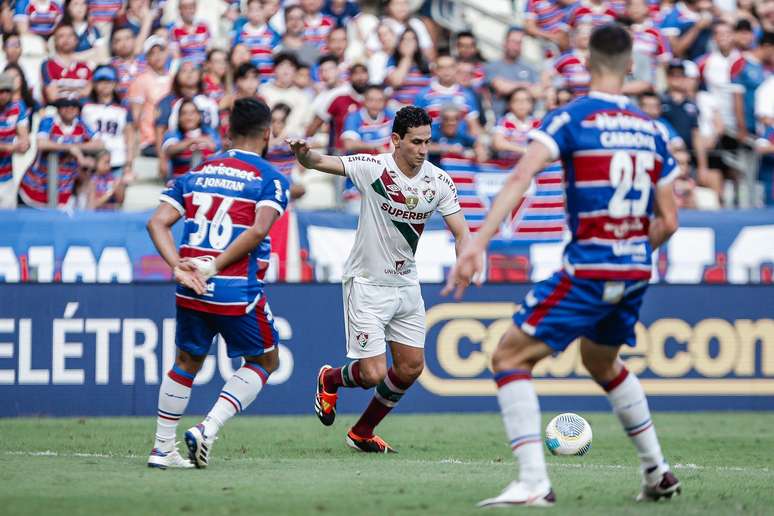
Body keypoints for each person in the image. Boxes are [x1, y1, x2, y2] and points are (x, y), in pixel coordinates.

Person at [443, 23, 682, 506]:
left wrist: (476, 244)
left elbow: (520, 177)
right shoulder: (653, 130)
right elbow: (670, 220)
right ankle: (656, 471)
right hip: (635, 271)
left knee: (509, 357)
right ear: (631, 66)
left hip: (590, 269)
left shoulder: (571, 118)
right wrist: (631, 253)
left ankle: (533, 482)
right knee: (601, 360)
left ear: (586, 64)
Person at [288, 106, 470, 453]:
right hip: (367, 283)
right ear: (396, 140)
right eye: (416, 142)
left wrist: (465, 260)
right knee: (372, 373)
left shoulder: (439, 180)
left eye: (427, 142)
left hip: (406, 286)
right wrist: (304, 155)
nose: (422, 149)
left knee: (411, 367)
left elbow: (461, 231)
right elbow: (323, 163)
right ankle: (330, 378)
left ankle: (361, 432)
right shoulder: (374, 168)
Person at [145, 97, 290, 469]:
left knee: (186, 361)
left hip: (189, 284)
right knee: (265, 359)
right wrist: (213, 267)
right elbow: (258, 230)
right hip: (233, 287)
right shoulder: (270, 179)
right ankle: (207, 428)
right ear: (268, 134)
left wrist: (180, 265)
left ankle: (162, 448)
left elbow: (156, 223)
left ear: (227, 132)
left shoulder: (197, 171)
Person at [18, 98, 103, 209]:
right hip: (34, 190)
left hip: (63, 193)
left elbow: (99, 144)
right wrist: (69, 148)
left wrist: (76, 148)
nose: (69, 109)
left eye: (74, 106)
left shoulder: (81, 124)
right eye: (65, 105)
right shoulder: (49, 121)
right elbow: (42, 144)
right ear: (58, 108)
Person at [81, 65, 135, 180]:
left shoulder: (123, 108)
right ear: (94, 84)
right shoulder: (85, 106)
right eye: (101, 81)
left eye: (109, 81)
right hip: (92, 159)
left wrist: (129, 163)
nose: (105, 85)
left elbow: (129, 136)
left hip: (117, 159)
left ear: (115, 84)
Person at [161, 98, 221, 180]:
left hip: (207, 182)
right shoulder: (174, 134)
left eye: (192, 112)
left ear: (199, 115)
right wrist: (193, 140)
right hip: (179, 183)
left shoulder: (210, 132)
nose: (188, 117)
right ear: (179, 118)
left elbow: (218, 148)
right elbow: (170, 150)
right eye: (184, 113)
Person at [0, 72, 30, 209]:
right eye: (0, 91)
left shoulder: (17, 106)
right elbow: (8, 147)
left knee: (7, 223)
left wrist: (25, 143)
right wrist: (9, 148)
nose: (3, 95)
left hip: (7, 178)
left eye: (7, 91)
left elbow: (23, 131)